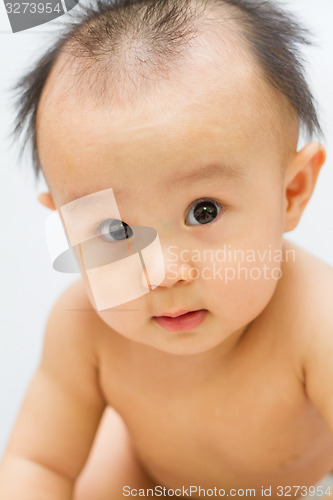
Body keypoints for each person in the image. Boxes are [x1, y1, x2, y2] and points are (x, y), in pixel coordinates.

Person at [1, 0, 333, 498]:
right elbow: (38, 462)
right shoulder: (84, 330)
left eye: (204, 211)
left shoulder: (315, 322)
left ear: (291, 192)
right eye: (114, 230)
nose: (161, 273)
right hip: (148, 479)